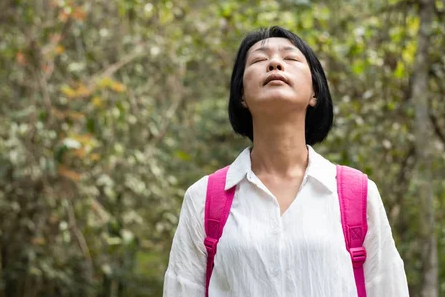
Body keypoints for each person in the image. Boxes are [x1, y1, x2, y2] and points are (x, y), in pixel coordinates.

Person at [163, 26, 409, 296]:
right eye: (258, 60)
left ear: (315, 92)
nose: (274, 63)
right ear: (241, 95)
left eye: (290, 58)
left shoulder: (357, 195)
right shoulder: (204, 200)